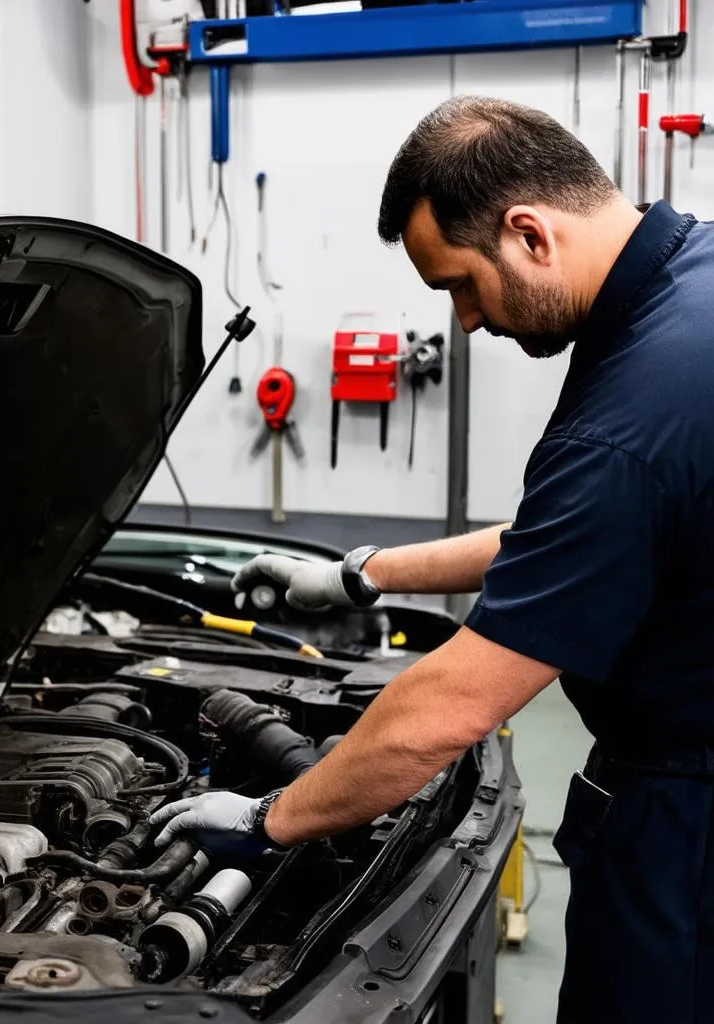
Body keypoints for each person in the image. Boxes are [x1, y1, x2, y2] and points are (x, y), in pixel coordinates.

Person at [149, 96, 714, 1024]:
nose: (464, 323)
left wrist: (268, 820)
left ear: (529, 233)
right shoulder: (685, 287)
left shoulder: (633, 415)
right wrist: (365, 572)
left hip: (687, 831)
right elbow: (570, 535)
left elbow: (448, 706)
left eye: (459, 283)